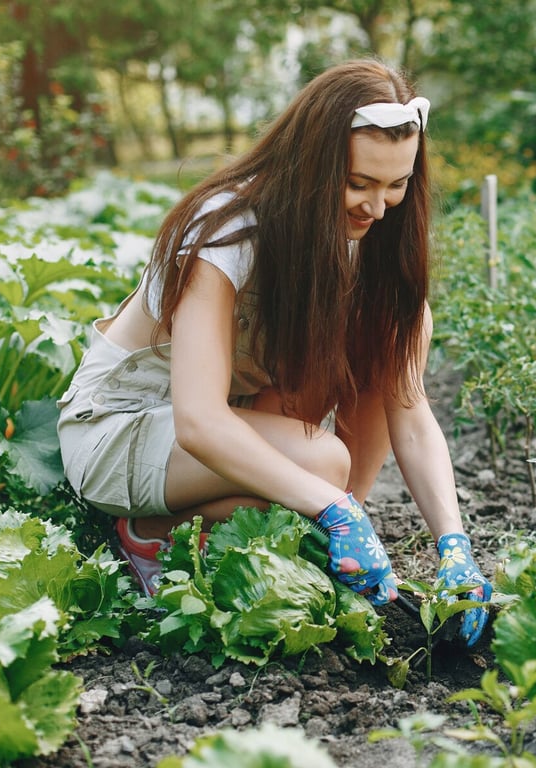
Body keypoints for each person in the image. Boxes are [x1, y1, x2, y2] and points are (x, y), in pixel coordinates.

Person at [56, 58, 491, 646]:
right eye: (358, 183)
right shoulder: (225, 231)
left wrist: (454, 546)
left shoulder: (365, 245)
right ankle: (147, 533)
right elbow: (200, 422)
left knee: (385, 337)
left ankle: (328, 555)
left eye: (397, 185)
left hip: (227, 427)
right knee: (322, 462)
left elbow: (409, 415)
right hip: (124, 427)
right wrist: (333, 506)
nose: (377, 207)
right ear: (312, 166)